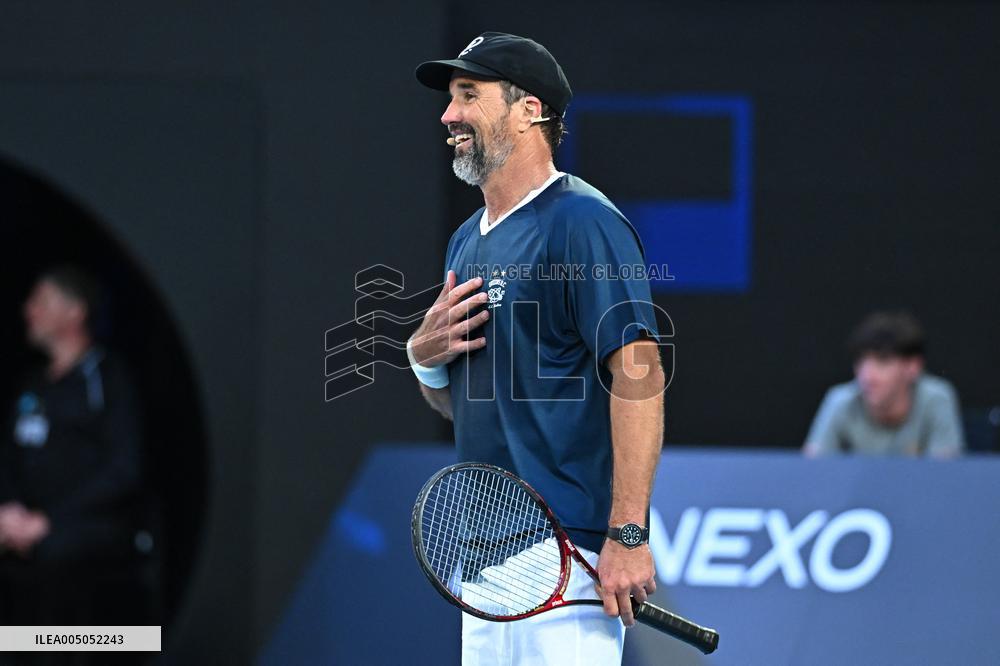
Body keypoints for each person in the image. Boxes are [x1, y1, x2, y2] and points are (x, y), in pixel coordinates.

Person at [409, 32, 666, 665]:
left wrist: (628, 533)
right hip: (483, 563)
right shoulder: (466, 241)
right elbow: (457, 408)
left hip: (566, 557)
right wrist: (423, 354)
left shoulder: (582, 221)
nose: (449, 114)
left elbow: (640, 373)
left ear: (530, 111)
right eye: (449, 98)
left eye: (469, 94)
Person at [0, 267, 153, 641]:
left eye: (41, 301)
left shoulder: (107, 379)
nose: (28, 310)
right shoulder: (32, 384)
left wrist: (50, 520)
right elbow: (8, 458)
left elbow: (124, 470)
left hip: (88, 524)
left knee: (56, 556)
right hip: (25, 521)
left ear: (74, 312)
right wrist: (8, 509)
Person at [803, 311, 965, 457]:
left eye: (883, 362)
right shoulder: (840, 401)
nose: (867, 376)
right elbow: (813, 472)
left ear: (913, 367)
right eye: (861, 362)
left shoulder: (936, 399)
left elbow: (945, 476)